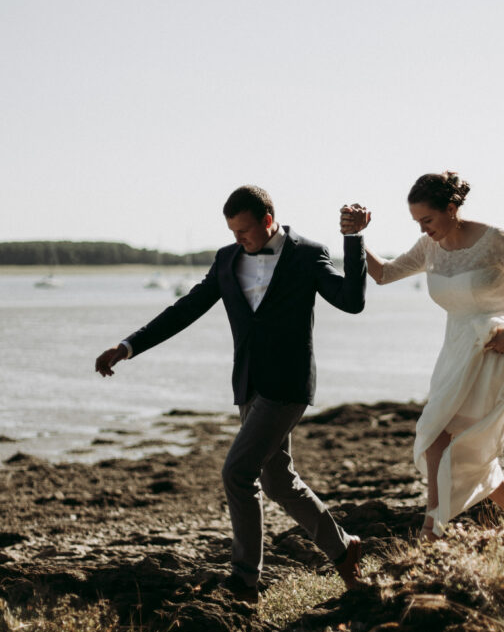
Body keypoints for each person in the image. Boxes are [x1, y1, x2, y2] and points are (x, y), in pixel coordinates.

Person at [95, 185, 367, 602]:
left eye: (244, 230)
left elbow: (351, 301)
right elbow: (184, 309)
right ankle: (344, 549)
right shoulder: (227, 259)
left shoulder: (307, 253)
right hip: (249, 386)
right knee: (278, 481)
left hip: (288, 386)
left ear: (268, 221)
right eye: (232, 230)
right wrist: (128, 347)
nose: (238, 237)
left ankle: (244, 580)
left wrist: (353, 241)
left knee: (237, 473)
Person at [341, 172, 504, 540]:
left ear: (451, 209)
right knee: (461, 442)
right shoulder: (429, 247)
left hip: (494, 351)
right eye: (417, 222)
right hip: (455, 353)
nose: (423, 230)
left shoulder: (495, 240)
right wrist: (355, 237)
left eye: (428, 220)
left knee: (443, 437)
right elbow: (384, 274)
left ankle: (432, 527)